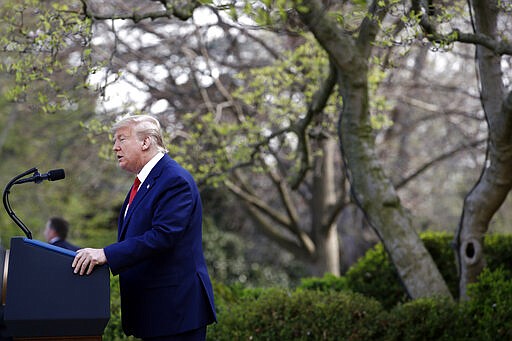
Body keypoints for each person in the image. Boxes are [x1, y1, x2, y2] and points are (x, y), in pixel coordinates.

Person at [72, 114, 217, 341]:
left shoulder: (174, 180)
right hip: (156, 313)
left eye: (121, 139)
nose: (114, 147)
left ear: (146, 142)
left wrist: (106, 254)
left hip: (175, 313)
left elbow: (163, 236)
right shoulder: (145, 182)